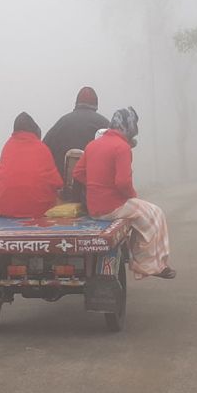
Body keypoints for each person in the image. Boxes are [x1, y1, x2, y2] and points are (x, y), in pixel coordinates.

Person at [73, 107, 176, 280]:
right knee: (156, 214)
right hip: (114, 206)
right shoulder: (122, 147)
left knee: (143, 214)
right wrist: (132, 196)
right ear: (129, 127)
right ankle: (150, 265)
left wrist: (96, 185)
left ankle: (145, 261)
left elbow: (77, 173)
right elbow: (123, 183)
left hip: (94, 207)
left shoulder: (92, 145)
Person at [43, 86, 111, 200]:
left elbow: (44, 149)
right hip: (94, 192)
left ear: (76, 103)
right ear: (96, 104)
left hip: (64, 191)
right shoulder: (104, 124)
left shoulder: (62, 122)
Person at [0, 112, 63, 218]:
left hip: (7, 210)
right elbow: (57, 182)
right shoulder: (42, 148)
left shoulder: (8, 146)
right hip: (39, 211)